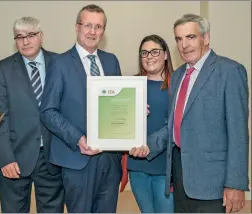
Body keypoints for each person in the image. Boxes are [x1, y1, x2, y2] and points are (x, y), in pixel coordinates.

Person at [132, 14, 249, 213]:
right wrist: (146, 145)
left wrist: (235, 183)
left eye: (190, 37)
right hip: (179, 177)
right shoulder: (177, 76)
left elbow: (238, 134)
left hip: (212, 181)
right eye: (179, 39)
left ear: (206, 37)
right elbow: (174, 127)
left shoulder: (229, 71)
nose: (184, 45)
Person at [40, 4, 123, 213]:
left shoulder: (111, 61)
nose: (92, 31)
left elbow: (118, 103)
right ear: (77, 27)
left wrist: (134, 110)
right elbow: (48, 111)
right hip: (77, 158)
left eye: (98, 27)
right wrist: (79, 139)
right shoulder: (59, 63)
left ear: (103, 31)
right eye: (88, 25)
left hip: (109, 160)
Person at [0, 17, 64, 213]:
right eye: (20, 36)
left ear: (41, 36)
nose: (25, 41)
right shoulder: (2, 68)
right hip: (15, 157)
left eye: (31, 35)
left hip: (52, 157)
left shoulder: (59, 63)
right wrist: (5, 158)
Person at [127, 34, 174, 213]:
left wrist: (151, 145)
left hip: (165, 166)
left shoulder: (177, 85)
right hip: (137, 164)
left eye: (155, 51)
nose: (149, 56)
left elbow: (178, 124)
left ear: (166, 55)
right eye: (144, 53)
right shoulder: (130, 85)